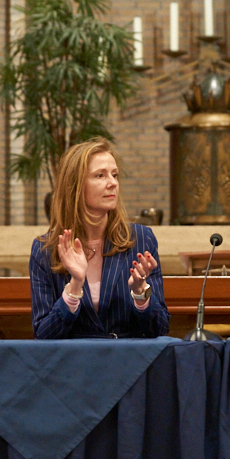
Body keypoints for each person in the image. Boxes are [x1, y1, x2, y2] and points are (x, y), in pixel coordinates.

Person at [30, 137, 170, 339]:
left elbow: (160, 328)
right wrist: (75, 285)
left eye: (115, 175)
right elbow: (43, 335)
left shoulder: (140, 239)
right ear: (76, 186)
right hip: (76, 358)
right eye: (100, 175)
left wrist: (141, 293)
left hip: (128, 356)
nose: (113, 183)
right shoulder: (45, 250)